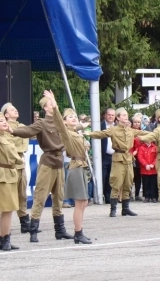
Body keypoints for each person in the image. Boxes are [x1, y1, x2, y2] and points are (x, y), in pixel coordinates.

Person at [8, 96, 73, 243]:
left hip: (59, 162)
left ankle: (60, 230)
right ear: (45, 108)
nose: (55, 105)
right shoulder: (41, 123)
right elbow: (28, 131)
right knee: (40, 197)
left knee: (59, 197)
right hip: (48, 162)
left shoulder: (60, 123)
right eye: (51, 103)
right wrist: (13, 131)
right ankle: (33, 230)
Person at [43, 90, 92, 244]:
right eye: (70, 117)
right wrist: (54, 103)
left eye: (75, 116)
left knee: (83, 202)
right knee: (80, 201)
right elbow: (57, 120)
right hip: (76, 166)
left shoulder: (76, 132)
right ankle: (78, 233)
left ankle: (80, 230)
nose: (74, 119)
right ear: (64, 121)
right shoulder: (66, 132)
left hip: (82, 165)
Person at [84, 108, 149, 217]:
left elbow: (143, 132)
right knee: (116, 183)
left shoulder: (130, 130)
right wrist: (89, 133)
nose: (126, 116)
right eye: (123, 115)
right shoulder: (113, 129)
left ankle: (125, 208)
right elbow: (101, 134)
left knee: (128, 183)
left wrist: (157, 133)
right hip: (118, 157)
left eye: (126, 115)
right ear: (118, 118)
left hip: (128, 158)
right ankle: (113, 209)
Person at [1, 103, 29, 234]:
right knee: (8, 198)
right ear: (6, 115)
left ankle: (25, 223)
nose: (15, 110)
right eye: (12, 109)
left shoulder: (22, 126)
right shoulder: (5, 130)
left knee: (22, 194)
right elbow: (12, 145)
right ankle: (5, 231)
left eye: (15, 108)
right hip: (10, 163)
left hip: (21, 162)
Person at [0, 111, 22, 250]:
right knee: (6, 209)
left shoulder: (7, 136)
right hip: (3, 174)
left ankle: (4, 238)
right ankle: (5, 239)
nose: (3, 122)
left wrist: (10, 130)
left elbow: (21, 142)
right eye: (0, 120)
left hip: (10, 173)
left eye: (3, 120)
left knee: (9, 209)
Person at [100, 108, 115, 204]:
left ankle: (108, 196)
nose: (110, 116)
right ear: (105, 115)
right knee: (103, 176)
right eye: (109, 114)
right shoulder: (100, 126)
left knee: (111, 177)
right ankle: (100, 195)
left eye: (112, 115)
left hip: (114, 155)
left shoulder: (117, 127)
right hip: (103, 155)